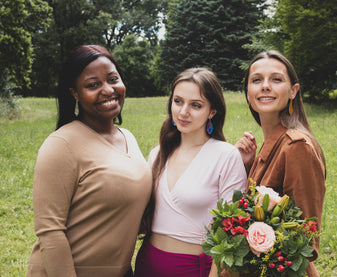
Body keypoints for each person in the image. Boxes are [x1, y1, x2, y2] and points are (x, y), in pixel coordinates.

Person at [26, 45, 152, 277]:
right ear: (74, 93)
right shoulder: (62, 144)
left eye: (113, 79)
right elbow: (50, 232)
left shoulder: (128, 138)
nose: (108, 90)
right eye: (93, 85)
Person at [134, 68, 247, 277]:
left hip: (194, 268)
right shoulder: (157, 154)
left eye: (196, 105)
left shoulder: (226, 156)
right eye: (178, 101)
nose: (183, 112)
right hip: (147, 263)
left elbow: (233, 232)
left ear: (212, 111)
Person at [235, 50, 326, 277]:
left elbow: (306, 240)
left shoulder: (297, 146)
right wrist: (248, 166)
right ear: (248, 92)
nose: (265, 86)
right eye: (257, 80)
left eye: (276, 79)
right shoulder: (272, 141)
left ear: (293, 91)